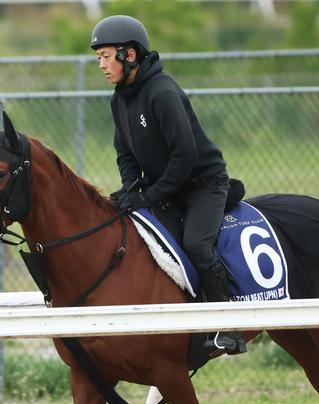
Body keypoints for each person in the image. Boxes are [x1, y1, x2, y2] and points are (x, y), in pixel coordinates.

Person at [91, 15, 245, 356]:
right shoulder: (119, 99)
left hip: (203, 184)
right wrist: (131, 189)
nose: (100, 64)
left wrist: (148, 195)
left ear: (129, 55)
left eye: (105, 56)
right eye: (98, 57)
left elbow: (185, 156)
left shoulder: (162, 92)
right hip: (165, 185)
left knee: (196, 244)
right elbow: (125, 152)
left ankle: (229, 328)